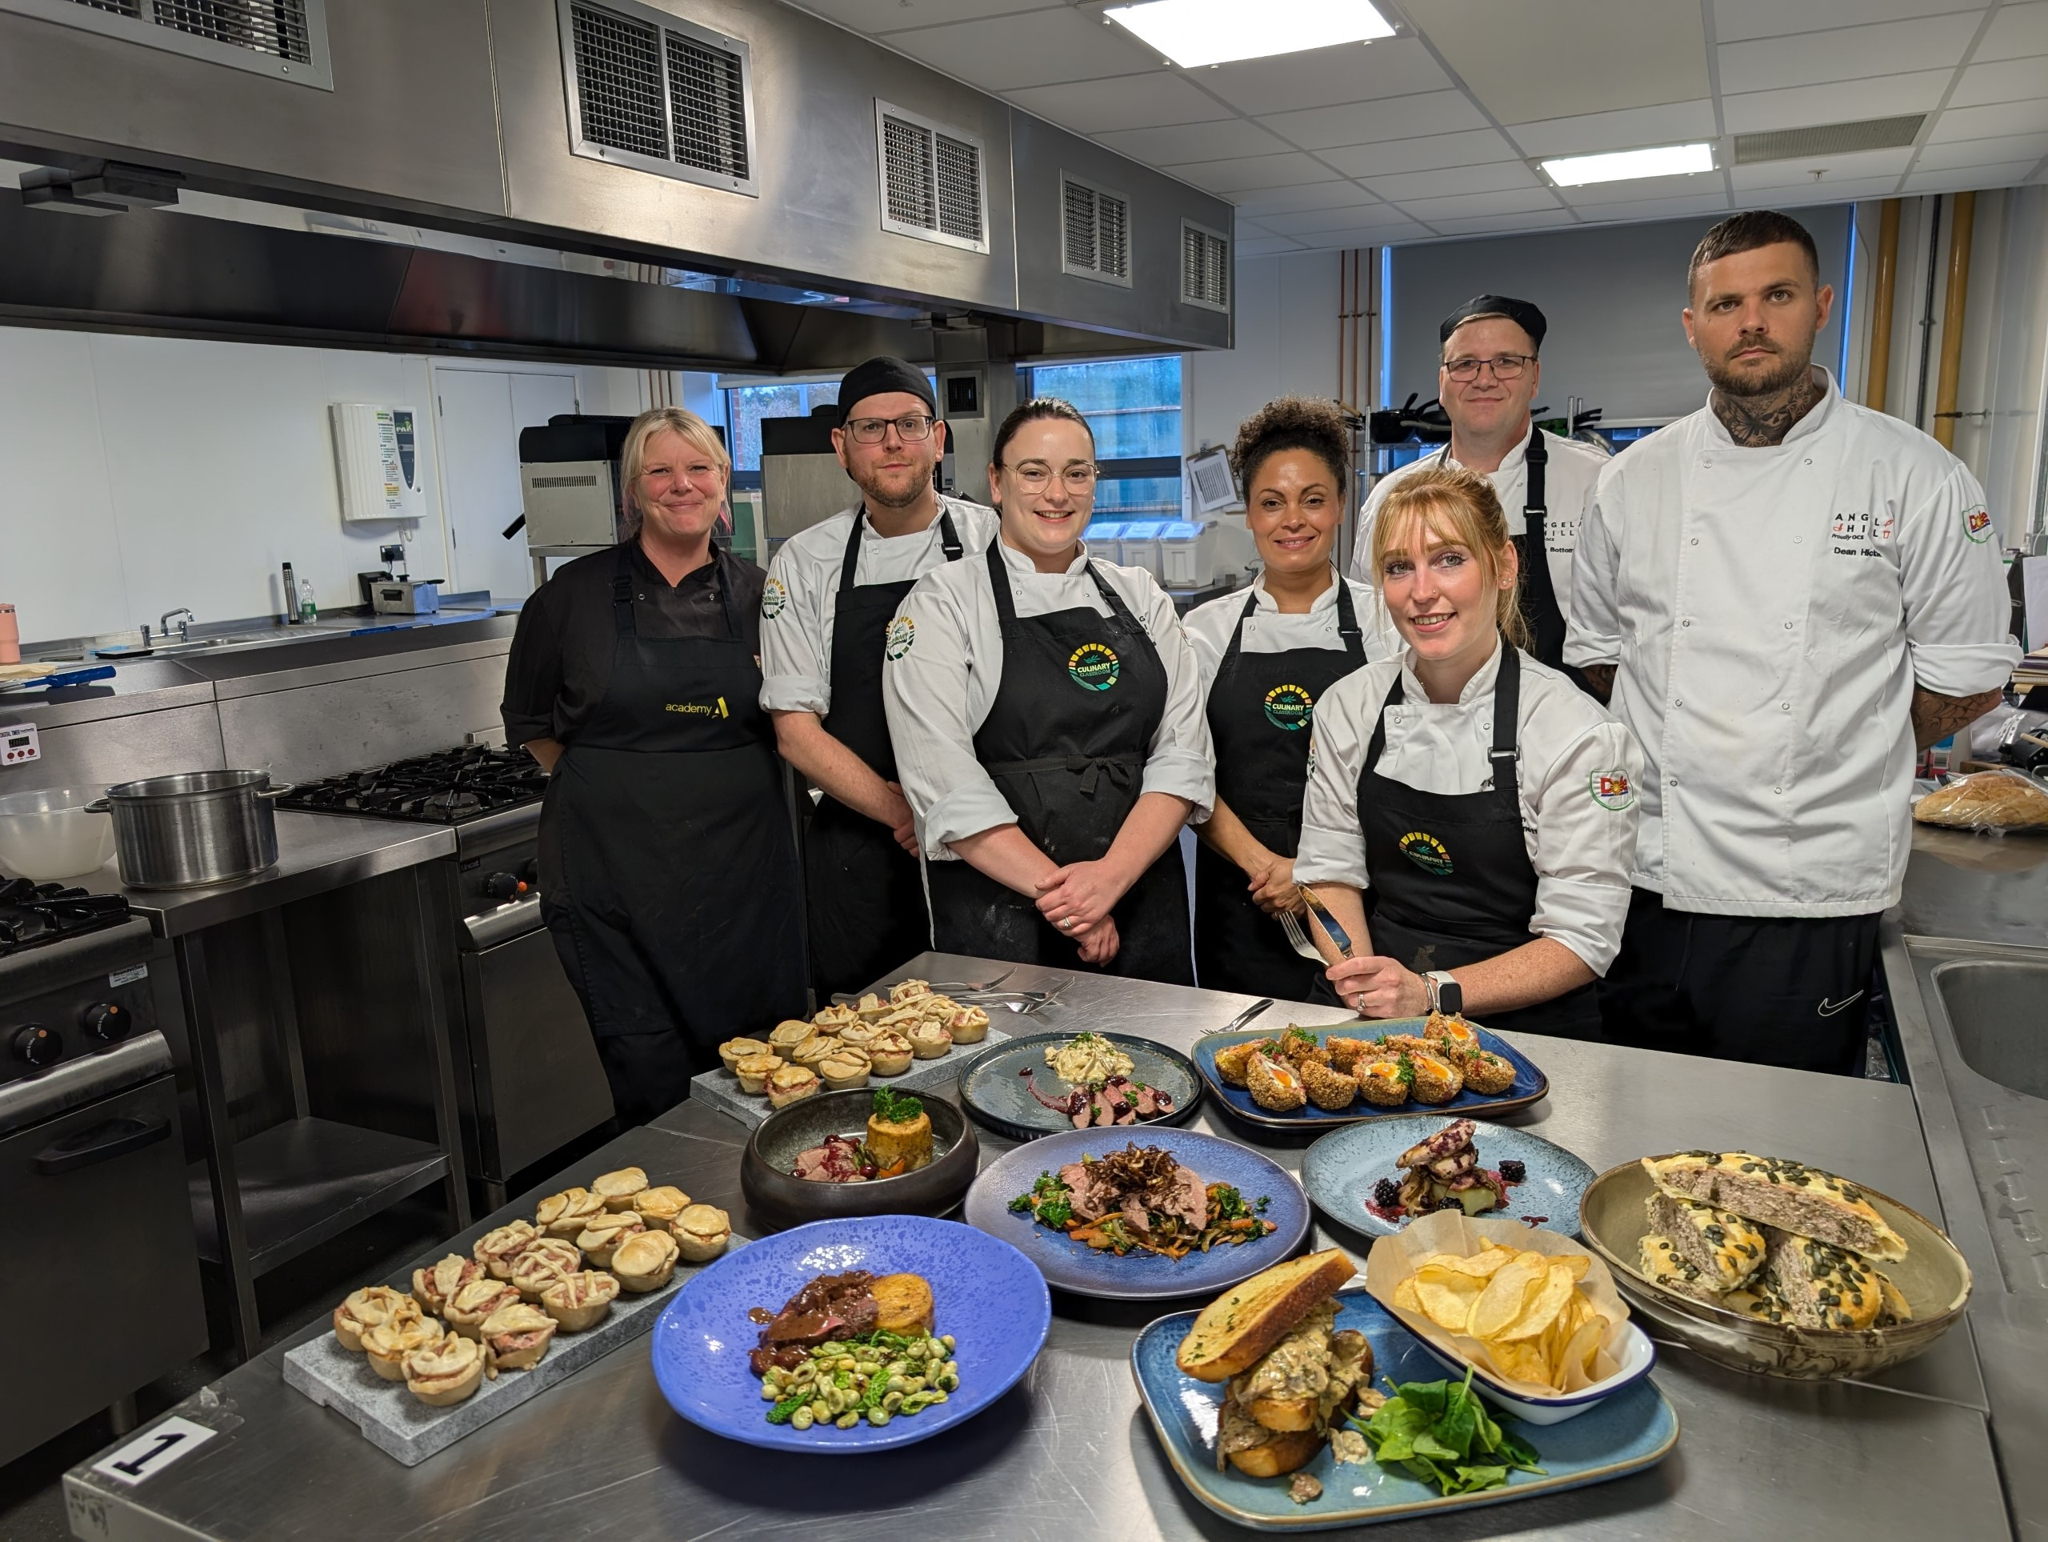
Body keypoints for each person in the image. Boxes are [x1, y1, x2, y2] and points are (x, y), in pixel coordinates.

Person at [1567, 208, 2019, 1075]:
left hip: (1810, 887)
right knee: (1630, 1121)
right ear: (1693, 324)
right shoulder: (1633, 480)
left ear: (1819, 306)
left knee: (1786, 1153)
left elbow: (1967, 678)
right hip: (1648, 875)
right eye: (1726, 302)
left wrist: (1835, 744)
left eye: (1775, 295)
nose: (1751, 321)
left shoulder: (1915, 475)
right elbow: (1600, 657)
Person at [502, 405, 805, 1122]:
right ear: (632, 492)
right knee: (648, 1070)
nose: (681, 485)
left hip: (744, 887)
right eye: (659, 470)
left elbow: (799, 726)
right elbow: (533, 725)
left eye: (698, 468)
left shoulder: (767, 597)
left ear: (724, 483)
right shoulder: (567, 598)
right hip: (614, 884)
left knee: (761, 1076)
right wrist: (622, 782)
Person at [1296, 465, 1638, 1037]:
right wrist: (1362, 984)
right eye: (1399, 567)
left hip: (1524, 1026)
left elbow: (1581, 940)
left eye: (1450, 559)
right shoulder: (1347, 707)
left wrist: (1429, 994)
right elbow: (1329, 875)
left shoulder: (1576, 733)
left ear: (1504, 566)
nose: (1422, 592)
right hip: (1373, 1006)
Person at [882, 398, 1212, 982]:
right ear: (996, 483)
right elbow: (945, 783)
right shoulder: (943, 603)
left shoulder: (1140, 595)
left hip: (1138, 895)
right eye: (1033, 472)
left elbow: (1182, 757)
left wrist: (1109, 880)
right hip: (999, 915)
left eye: (1076, 473)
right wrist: (1076, 907)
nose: (1056, 493)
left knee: (1152, 1065)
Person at [760, 357, 998, 998]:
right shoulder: (804, 563)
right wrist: (906, 811)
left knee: (994, 1013)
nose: (892, 442)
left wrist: (953, 816)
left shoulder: (995, 541)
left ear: (939, 439)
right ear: (841, 447)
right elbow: (796, 734)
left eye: (910, 424)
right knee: (866, 1043)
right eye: (870, 428)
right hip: (859, 847)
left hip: (989, 834)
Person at [1184, 397, 1385, 999]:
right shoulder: (1205, 631)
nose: (1292, 520)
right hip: (1241, 896)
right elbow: (1186, 770)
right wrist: (1263, 866)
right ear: (1249, 513)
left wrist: (1315, 872)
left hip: (1364, 888)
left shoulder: (1385, 623)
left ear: (1342, 507)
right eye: (1272, 503)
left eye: (1313, 499)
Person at [1350, 295, 1607, 678]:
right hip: (1428, 720)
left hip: (1560, 726)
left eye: (1506, 362)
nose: (1484, 379)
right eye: (1465, 364)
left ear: (1535, 377)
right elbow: (1369, 624)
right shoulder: (1393, 495)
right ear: (1442, 382)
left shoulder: (1595, 481)